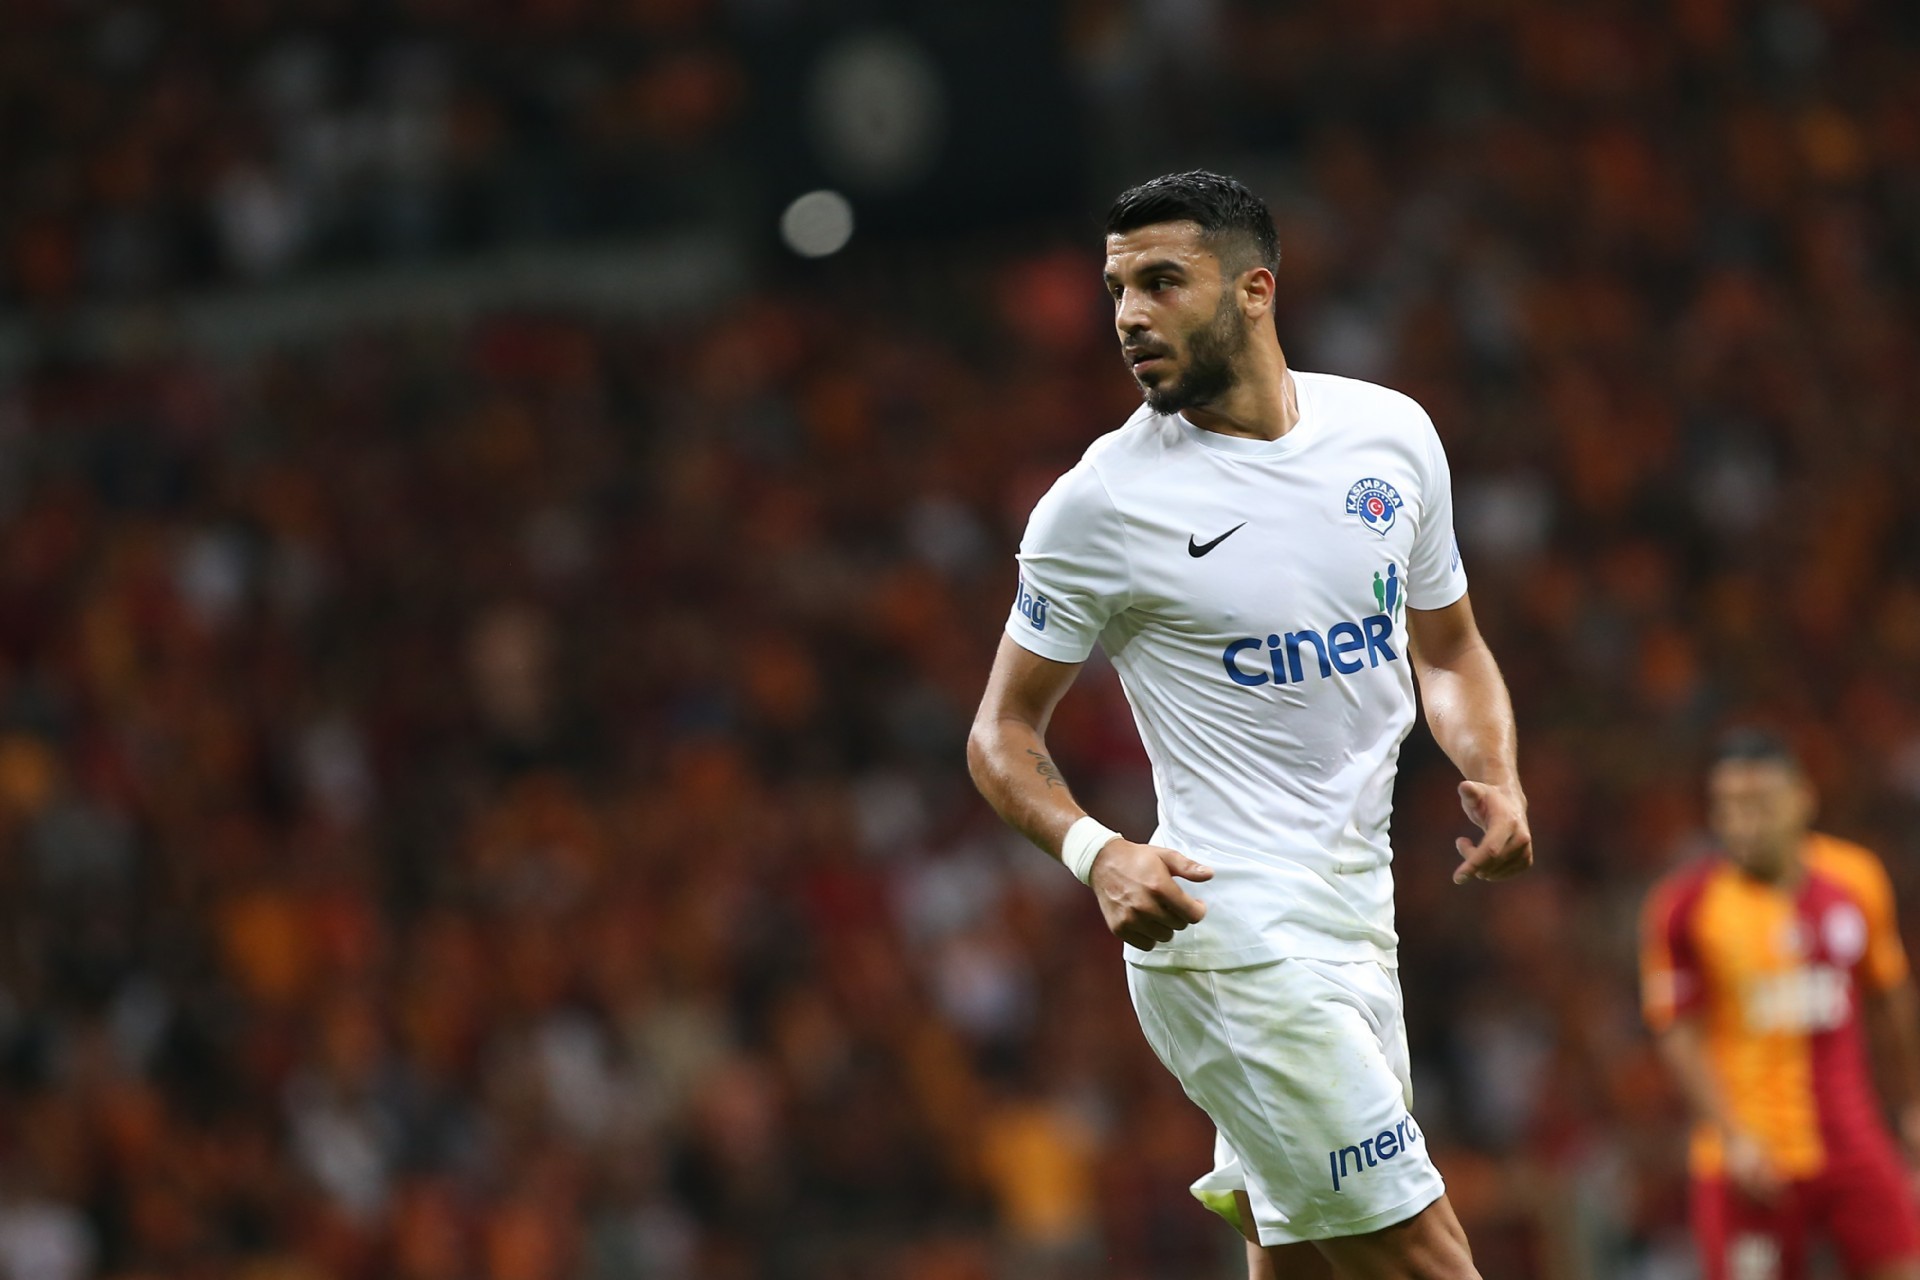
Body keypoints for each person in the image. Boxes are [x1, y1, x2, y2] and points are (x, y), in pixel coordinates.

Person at [966, 170, 1533, 1279]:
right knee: (1425, 1253)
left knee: (1302, 1255)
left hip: (1357, 922)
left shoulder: (1389, 436)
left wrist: (1496, 772)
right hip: (1226, 935)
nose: (1130, 315)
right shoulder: (1100, 504)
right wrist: (1098, 852)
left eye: (1162, 282)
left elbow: (1450, 647)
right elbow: (1000, 732)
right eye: (1118, 289)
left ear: (1255, 290)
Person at [1642, 730, 1920, 1280]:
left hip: (1853, 1144)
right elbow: (1678, 1033)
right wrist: (1733, 1137)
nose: (1744, 822)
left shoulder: (1856, 878)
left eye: (1760, 803)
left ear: (1802, 799)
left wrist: (1912, 1104)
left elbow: (1889, 999)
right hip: (1748, 1159)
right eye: (1729, 806)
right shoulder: (1685, 906)